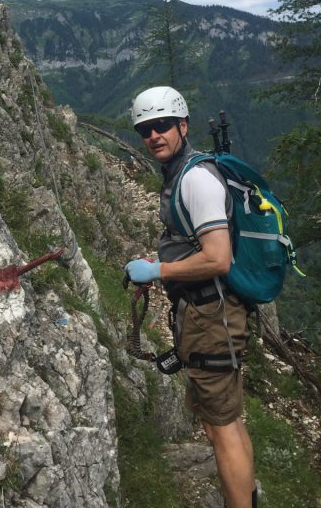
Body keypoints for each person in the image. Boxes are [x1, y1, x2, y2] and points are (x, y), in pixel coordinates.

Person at [124, 85, 258, 508]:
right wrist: (163, 264)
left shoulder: (196, 178)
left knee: (221, 428)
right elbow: (194, 245)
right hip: (208, 312)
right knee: (229, 422)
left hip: (211, 315)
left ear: (183, 126)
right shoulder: (182, 175)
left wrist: (159, 270)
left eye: (163, 125)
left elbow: (218, 258)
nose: (154, 136)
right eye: (145, 129)